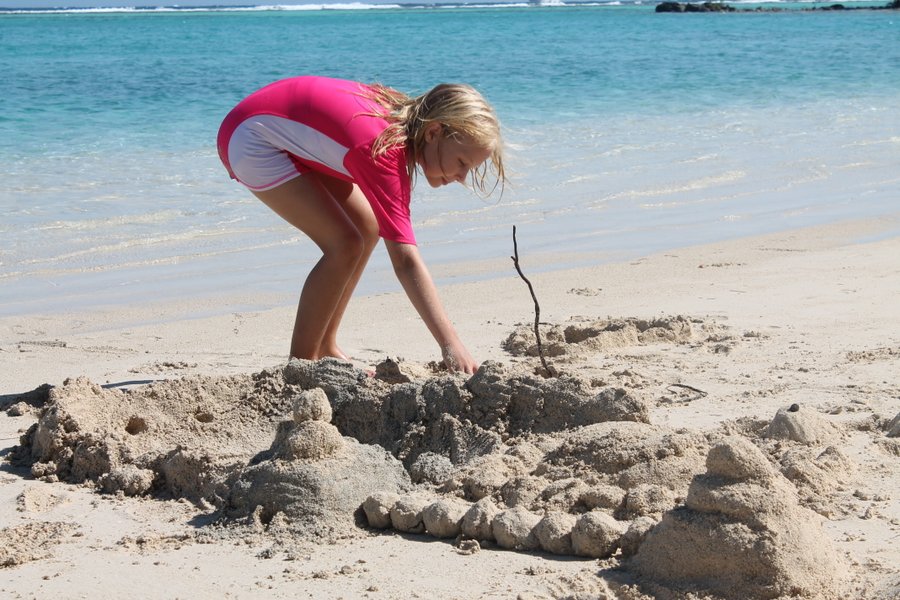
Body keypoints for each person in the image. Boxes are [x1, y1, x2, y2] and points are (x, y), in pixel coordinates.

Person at [217, 76, 505, 374]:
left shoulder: (401, 123)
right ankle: (300, 369)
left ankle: (325, 347)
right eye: (461, 162)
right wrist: (451, 344)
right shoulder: (385, 153)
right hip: (253, 139)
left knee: (366, 227)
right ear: (434, 131)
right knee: (344, 244)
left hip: (269, 129)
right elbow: (405, 262)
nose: (462, 177)